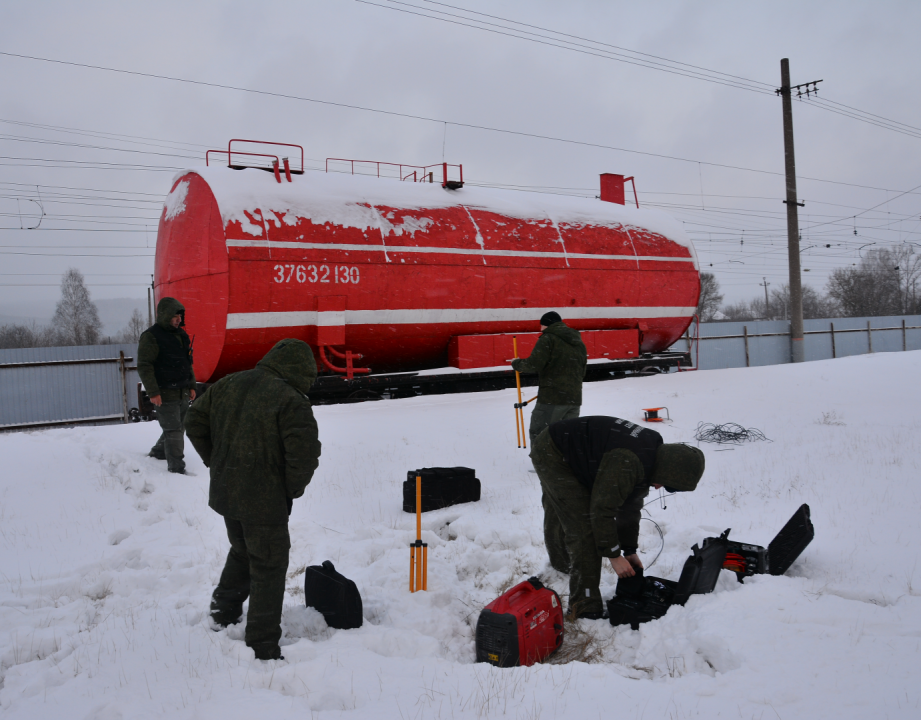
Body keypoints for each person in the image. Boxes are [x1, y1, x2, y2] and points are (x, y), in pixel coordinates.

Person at [185, 339, 321, 661]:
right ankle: (262, 645)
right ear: (301, 371)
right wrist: (288, 488)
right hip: (264, 501)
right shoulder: (290, 400)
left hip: (227, 491)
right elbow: (304, 456)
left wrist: (217, 462)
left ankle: (223, 611)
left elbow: (193, 421)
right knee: (269, 564)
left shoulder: (228, 383)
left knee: (244, 550)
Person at [529, 416, 705, 619]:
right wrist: (613, 555)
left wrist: (629, 550)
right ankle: (584, 607)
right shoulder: (628, 461)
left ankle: (563, 565)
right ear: (666, 468)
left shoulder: (650, 457)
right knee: (582, 529)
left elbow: (630, 507)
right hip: (553, 451)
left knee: (565, 508)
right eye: (666, 484)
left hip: (573, 450)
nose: (659, 488)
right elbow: (601, 510)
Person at [510, 311, 587, 572]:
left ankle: (543, 463)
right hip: (573, 398)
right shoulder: (577, 339)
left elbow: (535, 364)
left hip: (552, 396)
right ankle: (565, 462)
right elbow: (582, 369)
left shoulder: (548, 338)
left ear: (546, 325)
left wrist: (517, 363)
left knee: (541, 432)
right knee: (566, 434)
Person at [137, 297, 196, 474]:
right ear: (165, 315)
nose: (179, 319)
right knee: (174, 431)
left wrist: (191, 385)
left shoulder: (182, 336)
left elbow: (188, 363)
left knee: (178, 427)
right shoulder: (151, 337)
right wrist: (153, 392)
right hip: (164, 392)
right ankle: (177, 469)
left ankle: (158, 451)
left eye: (180, 315)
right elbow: (145, 365)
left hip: (182, 391)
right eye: (174, 315)